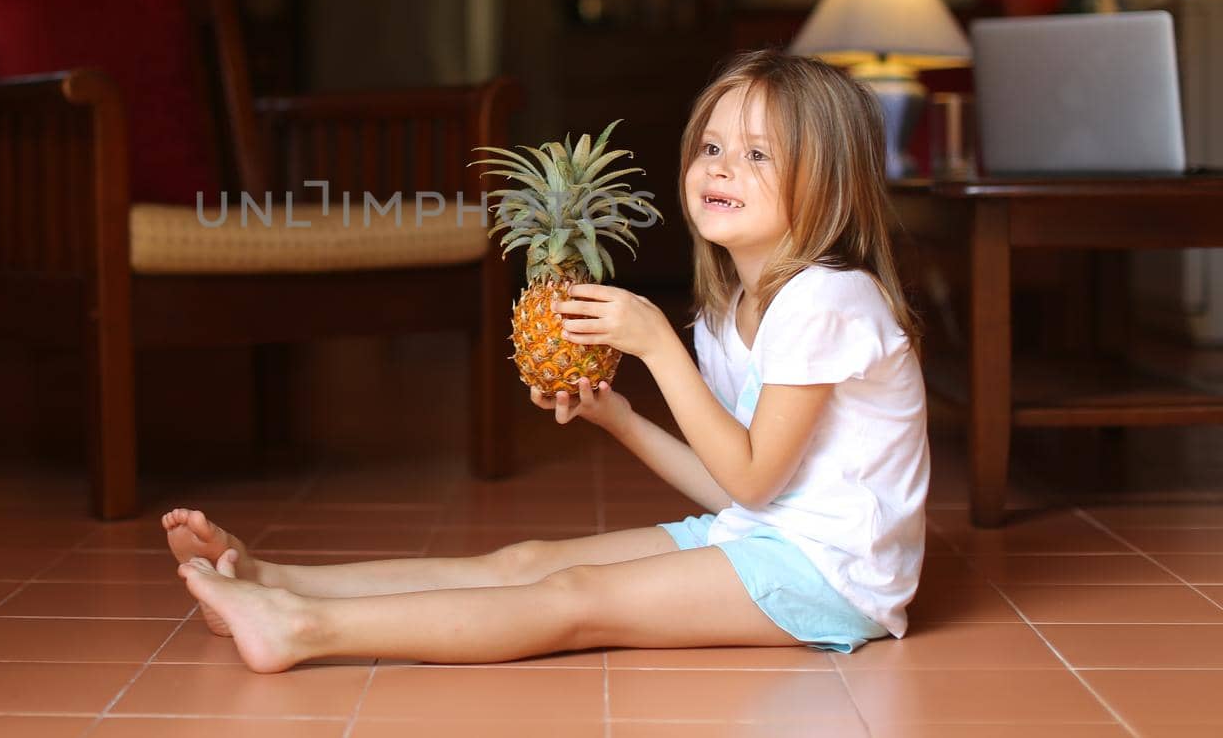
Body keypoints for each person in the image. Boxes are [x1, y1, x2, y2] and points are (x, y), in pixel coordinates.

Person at [164, 49, 930, 674]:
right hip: (768, 537)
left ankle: (299, 628)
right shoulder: (733, 308)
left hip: (833, 576)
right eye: (711, 146)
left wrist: (657, 344)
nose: (721, 167)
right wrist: (621, 419)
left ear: (824, 182)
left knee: (575, 596)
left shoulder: (830, 299)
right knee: (522, 559)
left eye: (757, 153)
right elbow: (745, 492)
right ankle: (270, 579)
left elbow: (754, 478)